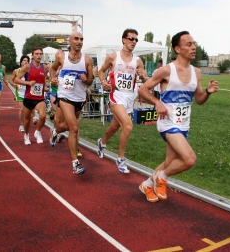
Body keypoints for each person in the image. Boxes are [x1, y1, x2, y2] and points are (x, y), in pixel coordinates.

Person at [137, 31, 219, 202]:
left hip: (184, 124)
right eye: (188, 44)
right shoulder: (166, 70)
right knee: (189, 159)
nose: (194, 47)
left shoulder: (196, 72)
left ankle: (147, 184)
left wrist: (208, 93)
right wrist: (157, 103)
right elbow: (143, 89)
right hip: (168, 123)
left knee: (169, 162)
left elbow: (199, 100)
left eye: (194, 43)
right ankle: (163, 178)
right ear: (177, 49)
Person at [96, 29, 148, 174]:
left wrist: (143, 76)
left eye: (136, 40)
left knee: (114, 127)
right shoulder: (113, 57)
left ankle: (102, 142)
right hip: (115, 96)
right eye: (131, 39)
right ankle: (120, 159)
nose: (134, 42)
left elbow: (146, 80)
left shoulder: (138, 61)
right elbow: (101, 71)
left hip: (129, 98)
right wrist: (103, 82)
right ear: (123, 40)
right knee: (128, 126)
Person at [49, 31, 94, 175]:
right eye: (76, 39)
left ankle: (55, 131)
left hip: (79, 98)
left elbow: (91, 81)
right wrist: (52, 78)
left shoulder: (87, 60)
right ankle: (75, 164)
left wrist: (85, 79)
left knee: (69, 126)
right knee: (74, 127)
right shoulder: (61, 56)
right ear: (70, 41)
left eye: (82, 39)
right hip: (64, 96)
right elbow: (53, 68)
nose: (79, 41)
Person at [14, 47, 50, 145]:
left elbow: (43, 80)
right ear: (33, 56)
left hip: (39, 98)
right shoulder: (27, 67)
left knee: (43, 116)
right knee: (27, 120)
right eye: (37, 54)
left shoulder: (44, 67)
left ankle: (37, 132)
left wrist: (45, 87)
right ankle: (26, 135)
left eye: (40, 54)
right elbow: (16, 80)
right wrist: (28, 83)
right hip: (29, 97)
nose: (39, 56)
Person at [10, 55, 34, 132]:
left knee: (31, 109)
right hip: (20, 92)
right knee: (22, 109)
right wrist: (14, 84)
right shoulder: (16, 71)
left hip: (28, 92)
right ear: (21, 62)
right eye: (24, 60)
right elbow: (11, 80)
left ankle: (33, 120)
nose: (26, 61)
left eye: (27, 60)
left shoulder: (30, 70)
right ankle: (21, 125)